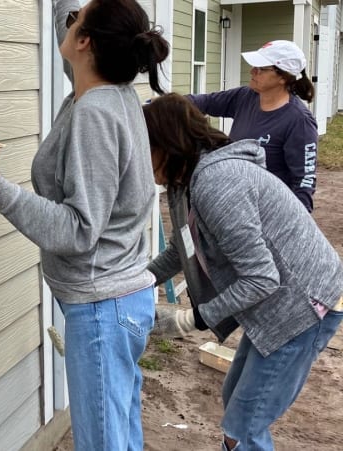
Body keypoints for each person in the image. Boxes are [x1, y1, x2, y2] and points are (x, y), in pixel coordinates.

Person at [0, 0, 169, 449]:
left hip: (102, 308)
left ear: (85, 43)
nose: (68, 22)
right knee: (119, 435)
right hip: (117, 300)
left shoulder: (95, 115)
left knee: (105, 443)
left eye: (76, 19)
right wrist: (75, 13)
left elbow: (77, 232)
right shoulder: (107, 90)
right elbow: (66, 23)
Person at [143, 94, 343, 451]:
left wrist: (190, 320)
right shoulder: (186, 182)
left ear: (168, 145)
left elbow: (261, 278)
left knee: (243, 428)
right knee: (234, 395)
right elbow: (182, 249)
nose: (140, 160)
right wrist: (140, 282)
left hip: (304, 304)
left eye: (146, 148)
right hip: (277, 301)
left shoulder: (218, 184)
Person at [187, 40, 317, 212]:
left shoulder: (299, 121)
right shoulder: (245, 97)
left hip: (268, 213)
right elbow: (204, 102)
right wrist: (161, 106)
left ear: (283, 77)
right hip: (235, 205)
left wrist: (296, 226)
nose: (252, 71)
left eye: (261, 69)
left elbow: (304, 181)